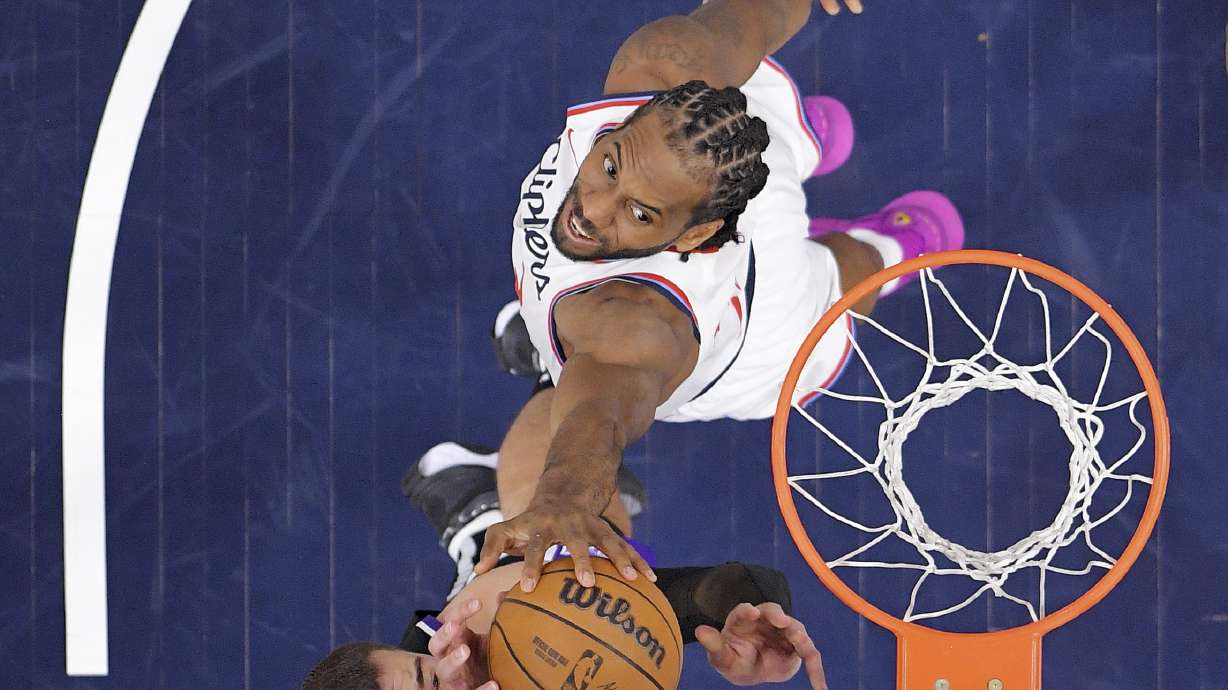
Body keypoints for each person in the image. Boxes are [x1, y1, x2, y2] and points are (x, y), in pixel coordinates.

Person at [482, 0, 965, 592]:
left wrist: (562, 497)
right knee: (726, 124)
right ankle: (796, 139)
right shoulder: (659, 69)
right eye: (609, 167)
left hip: (763, 316)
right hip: (712, 176)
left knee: (837, 285)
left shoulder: (638, 326)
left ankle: (889, 248)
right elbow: (751, 14)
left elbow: (598, 415)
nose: (593, 211)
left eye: (637, 213)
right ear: (632, 118)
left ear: (692, 236)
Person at [301, 438, 828, 689]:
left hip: (519, 581)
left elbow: (718, 589)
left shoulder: (487, 621)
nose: (454, 667)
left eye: (426, 674)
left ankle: (544, 351)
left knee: (565, 485)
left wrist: (746, 606)